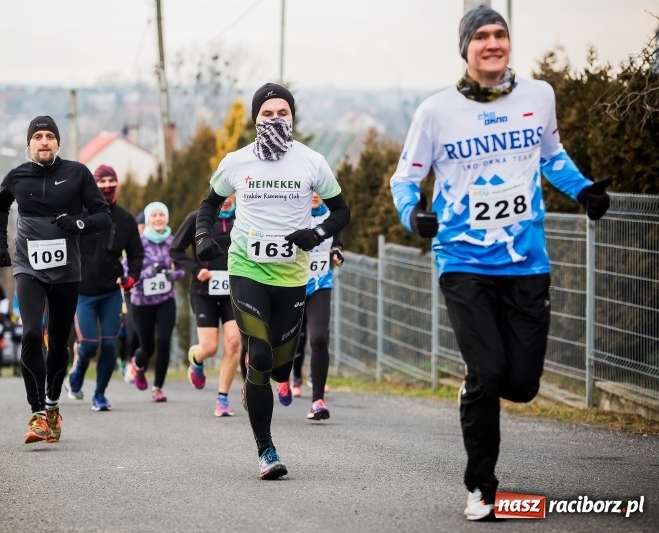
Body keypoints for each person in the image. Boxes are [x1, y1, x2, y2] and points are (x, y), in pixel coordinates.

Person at [390, 6, 612, 521]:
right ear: (465, 49)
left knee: (523, 385)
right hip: (462, 260)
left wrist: (583, 191)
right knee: (488, 373)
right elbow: (406, 179)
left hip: (525, 261)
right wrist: (413, 215)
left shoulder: (539, 96)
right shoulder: (436, 111)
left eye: (500, 35)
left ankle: (480, 385)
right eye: (481, 36)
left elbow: (551, 156)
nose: (493, 43)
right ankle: (482, 489)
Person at [195, 82, 350, 479]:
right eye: (268, 113)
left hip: (292, 274)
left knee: (280, 367)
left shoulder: (312, 162)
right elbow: (209, 204)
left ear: (293, 117)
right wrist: (204, 236)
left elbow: (340, 212)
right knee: (259, 355)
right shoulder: (237, 161)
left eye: (283, 113)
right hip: (247, 266)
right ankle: (266, 451)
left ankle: (261, 381)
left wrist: (315, 236)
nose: (276, 119)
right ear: (256, 119)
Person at [0, 115, 111, 444]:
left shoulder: (77, 174)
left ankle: (54, 404)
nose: (44, 141)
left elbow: (102, 215)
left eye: (49, 136)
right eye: (38, 136)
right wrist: (0, 245)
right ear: (29, 144)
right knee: (30, 332)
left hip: (67, 270)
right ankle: (38, 413)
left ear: (58, 142)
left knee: (59, 342)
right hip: (27, 266)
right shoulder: (17, 176)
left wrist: (77, 223)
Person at [66, 164, 144, 411]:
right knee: (88, 344)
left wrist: (132, 277)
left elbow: (136, 254)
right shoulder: (78, 213)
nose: (107, 186)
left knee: (109, 345)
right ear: (93, 185)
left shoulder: (125, 219)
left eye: (112, 181)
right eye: (101, 182)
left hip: (111, 291)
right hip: (82, 292)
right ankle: (77, 371)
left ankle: (99, 394)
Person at [171, 193, 241, 417]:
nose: (227, 200)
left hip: (233, 290)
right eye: (222, 195)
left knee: (233, 343)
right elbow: (175, 250)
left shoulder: (245, 218)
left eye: (231, 194)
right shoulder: (197, 218)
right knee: (210, 348)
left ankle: (222, 398)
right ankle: (196, 359)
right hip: (204, 291)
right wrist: (196, 270)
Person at [286, 192, 345, 420]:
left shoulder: (332, 216)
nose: (315, 196)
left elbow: (337, 243)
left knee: (319, 338)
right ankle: (287, 378)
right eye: (311, 191)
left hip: (321, 284)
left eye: (320, 191)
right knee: (291, 338)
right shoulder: (293, 215)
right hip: (293, 284)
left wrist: (337, 253)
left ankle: (317, 401)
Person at [129, 201, 185, 402]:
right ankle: (138, 364)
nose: (158, 218)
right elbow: (128, 271)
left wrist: (173, 275)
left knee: (164, 341)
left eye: (162, 215)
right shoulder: (138, 242)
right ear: (149, 220)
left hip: (165, 300)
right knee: (147, 347)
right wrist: (146, 273)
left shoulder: (173, 241)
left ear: (166, 218)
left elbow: (181, 268)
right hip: (141, 302)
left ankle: (158, 388)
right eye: (154, 216)